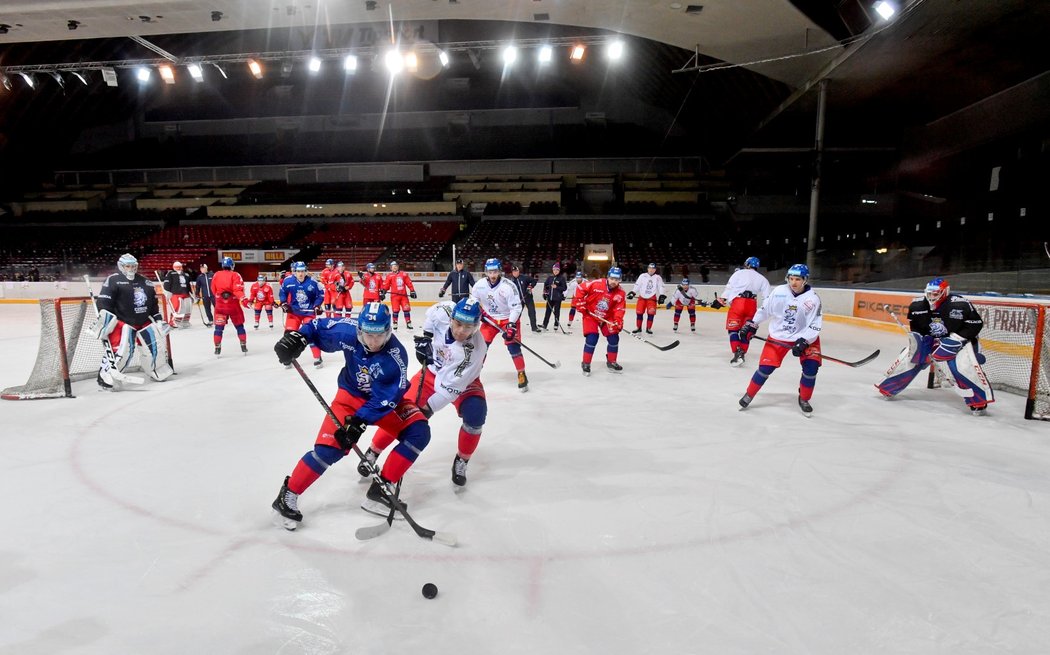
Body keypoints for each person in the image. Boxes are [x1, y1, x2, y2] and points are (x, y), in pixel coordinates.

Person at [270, 302, 431, 530]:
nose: (373, 342)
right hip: (349, 397)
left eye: (380, 336)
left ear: (389, 331)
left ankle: (380, 491)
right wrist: (298, 338)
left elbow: (388, 397)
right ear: (359, 330)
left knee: (419, 432)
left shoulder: (395, 357)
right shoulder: (347, 330)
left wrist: (359, 422)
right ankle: (288, 495)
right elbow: (316, 326)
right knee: (329, 449)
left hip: (382, 403)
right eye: (368, 335)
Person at [360, 297, 489, 487]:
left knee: (476, 415)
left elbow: (450, 390)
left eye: (468, 327)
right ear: (451, 318)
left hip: (464, 382)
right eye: (458, 323)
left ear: (476, 326)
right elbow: (432, 313)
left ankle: (462, 459)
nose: (461, 330)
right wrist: (427, 337)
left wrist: (426, 410)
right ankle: (373, 451)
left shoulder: (474, 351)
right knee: (399, 413)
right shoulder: (444, 311)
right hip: (430, 374)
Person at [876, 277, 991, 415]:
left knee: (962, 366)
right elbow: (917, 329)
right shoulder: (917, 306)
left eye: (935, 293)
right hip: (933, 340)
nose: (932, 297)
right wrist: (918, 343)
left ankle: (978, 401)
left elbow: (975, 324)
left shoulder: (960, 304)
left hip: (962, 340)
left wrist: (955, 340)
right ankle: (889, 387)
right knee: (910, 357)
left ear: (945, 292)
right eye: (929, 293)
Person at [736, 264, 822, 416]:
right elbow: (764, 310)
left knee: (811, 369)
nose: (793, 282)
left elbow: (815, 324)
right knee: (765, 369)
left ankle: (804, 399)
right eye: (791, 278)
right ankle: (749, 394)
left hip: (805, 337)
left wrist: (805, 340)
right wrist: (752, 324)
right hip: (779, 335)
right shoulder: (779, 292)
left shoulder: (812, 299)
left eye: (798, 279)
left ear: (805, 280)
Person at [91, 253, 173, 389]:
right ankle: (107, 376)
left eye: (133, 266)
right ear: (121, 266)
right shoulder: (113, 280)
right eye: (127, 266)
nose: (131, 269)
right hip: (123, 322)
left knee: (154, 348)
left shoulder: (145, 281)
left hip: (144, 322)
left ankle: (156, 370)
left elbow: (153, 304)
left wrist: (158, 320)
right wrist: (104, 319)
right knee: (123, 352)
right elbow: (104, 302)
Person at [472, 258, 529, 391]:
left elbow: (516, 307)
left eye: (495, 271)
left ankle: (521, 373)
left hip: (507, 319)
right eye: (490, 272)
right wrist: (479, 313)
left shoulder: (508, 286)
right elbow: (474, 301)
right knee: (481, 348)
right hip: (490, 320)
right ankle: (474, 376)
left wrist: (511, 325)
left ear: (499, 271)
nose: (492, 275)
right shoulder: (479, 285)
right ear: (486, 271)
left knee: (513, 347)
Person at [712, 256, 771, 367]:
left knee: (733, 329)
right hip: (752, 305)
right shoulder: (763, 279)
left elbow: (729, 288)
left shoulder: (739, 273)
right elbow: (767, 298)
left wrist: (722, 299)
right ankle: (742, 352)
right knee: (746, 331)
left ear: (747, 264)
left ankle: (737, 352)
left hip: (738, 303)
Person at [573, 266, 627, 375]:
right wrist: (580, 302)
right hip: (591, 314)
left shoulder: (621, 293)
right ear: (607, 277)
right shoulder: (597, 283)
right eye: (612, 278)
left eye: (616, 280)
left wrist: (617, 321)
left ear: (620, 280)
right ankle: (586, 363)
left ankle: (611, 361)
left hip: (606, 317)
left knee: (614, 338)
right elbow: (580, 288)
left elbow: (619, 309)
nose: (613, 282)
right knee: (592, 338)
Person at [279, 261, 325, 367]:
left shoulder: (313, 282)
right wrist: (284, 303)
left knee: (310, 335)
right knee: (289, 335)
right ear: (294, 272)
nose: (301, 274)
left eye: (303, 271)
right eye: (298, 271)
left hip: (308, 313)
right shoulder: (288, 281)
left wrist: (317, 305)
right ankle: (288, 357)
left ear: (306, 271)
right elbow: (282, 293)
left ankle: (317, 357)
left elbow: (321, 294)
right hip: (294, 312)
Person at [211, 257, 250, 356]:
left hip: (220, 305)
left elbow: (213, 289)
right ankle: (243, 344)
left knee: (218, 328)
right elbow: (237, 290)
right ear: (232, 265)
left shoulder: (216, 274)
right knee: (239, 326)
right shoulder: (235, 275)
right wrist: (244, 300)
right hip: (233, 305)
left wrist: (220, 297)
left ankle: (217, 347)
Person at [626, 263, 665, 335]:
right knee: (639, 313)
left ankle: (648, 328)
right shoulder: (642, 276)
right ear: (647, 268)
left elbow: (661, 287)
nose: (651, 270)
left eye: (653, 268)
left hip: (652, 298)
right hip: (642, 297)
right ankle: (638, 328)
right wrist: (633, 292)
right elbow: (637, 285)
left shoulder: (658, 277)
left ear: (655, 270)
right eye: (650, 268)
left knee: (651, 313)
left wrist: (661, 295)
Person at [382, 260, 416, 330]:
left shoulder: (404, 274)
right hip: (395, 297)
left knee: (406, 309)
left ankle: (408, 322)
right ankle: (395, 323)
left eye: (396, 266)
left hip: (404, 296)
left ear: (398, 267)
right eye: (393, 266)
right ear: (391, 268)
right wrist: (383, 291)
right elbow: (386, 285)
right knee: (395, 310)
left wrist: (412, 291)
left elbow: (409, 283)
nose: (394, 268)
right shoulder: (389, 276)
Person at [161, 261, 193, 328]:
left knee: (188, 307)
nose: (178, 268)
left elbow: (188, 285)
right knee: (177, 308)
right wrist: (167, 292)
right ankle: (173, 322)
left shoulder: (186, 274)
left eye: (180, 267)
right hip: (176, 294)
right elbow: (167, 283)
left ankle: (185, 321)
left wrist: (191, 293)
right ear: (174, 267)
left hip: (186, 293)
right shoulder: (171, 274)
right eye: (177, 267)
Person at [510, 265, 540, 333]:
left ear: (518, 271)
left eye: (516, 271)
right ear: (512, 272)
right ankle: (512, 326)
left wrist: (530, 286)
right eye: (513, 271)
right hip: (519, 300)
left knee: (532, 312)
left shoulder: (524, 277)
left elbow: (534, 281)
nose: (515, 273)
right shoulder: (511, 281)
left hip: (528, 298)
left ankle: (534, 328)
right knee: (517, 313)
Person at [541, 263, 568, 332]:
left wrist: (557, 287)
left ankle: (556, 324)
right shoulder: (550, 278)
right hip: (550, 298)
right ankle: (545, 324)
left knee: (557, 312)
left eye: (557, 270)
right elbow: (546, 285)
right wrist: (545, 293)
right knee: (547, 312)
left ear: (559, 270)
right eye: (554, 270)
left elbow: (564, 288)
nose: (555, 271)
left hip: (557, 299)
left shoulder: (561, 278)